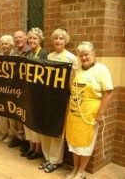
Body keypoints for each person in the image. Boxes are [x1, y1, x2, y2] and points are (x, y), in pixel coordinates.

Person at [65, 41, 113, 179]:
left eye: (86, 55)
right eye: (81, 55)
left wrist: (101, 113)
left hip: (90, 114)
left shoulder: (101, 69)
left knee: (86, 145)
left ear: (93, 54)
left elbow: (108, 92)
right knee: (74, 144)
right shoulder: (78, 69)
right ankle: (74, 169)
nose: (84, 58)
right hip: (74, 114)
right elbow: (71, 89)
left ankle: (81, 172)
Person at [39, 28, 78, 173]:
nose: (58, 41)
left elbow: (74, 79)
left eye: (61, 38)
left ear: (65, 41)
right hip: (49, 97)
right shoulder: (49, 56)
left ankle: (55, 160)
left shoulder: (71, 58)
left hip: (62, 99)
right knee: (46, 128)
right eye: (56, 38)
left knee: (57, 129)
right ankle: (47, 157)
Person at [21, 27, 49, 160]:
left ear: (40, 40)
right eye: (30, 38)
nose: (32, 40)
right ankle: (31, 146)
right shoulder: (27, 54)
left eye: (35, 38)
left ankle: (38, 150)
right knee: (27, 122)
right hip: (27, 93)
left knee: (35, 122)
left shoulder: (44, 54)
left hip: (38, 94)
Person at [8, 31, 31, 150]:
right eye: (16, 37)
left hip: (26, 88)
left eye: (20, 37)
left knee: (24, 114)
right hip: (15, 87)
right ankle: (19, 137)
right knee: (15, 113)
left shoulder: (30, 51)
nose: (18, 39)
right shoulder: (13, 52)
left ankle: (27, 141)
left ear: (25, 38)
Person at [0, 35, 17, 143]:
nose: (4, 46)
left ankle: (12, 133)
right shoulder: (0, 56)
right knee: (2, 111)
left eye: (6, 44)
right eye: (2, 44)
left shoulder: (15, 55)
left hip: (13, 89)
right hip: (2, 88)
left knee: (11, 112)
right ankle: (4, 132)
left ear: (11, 44)